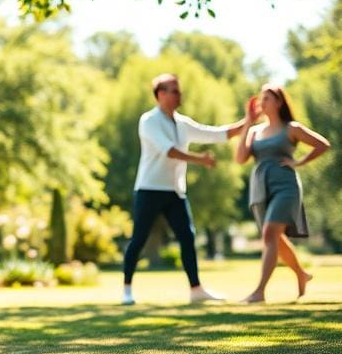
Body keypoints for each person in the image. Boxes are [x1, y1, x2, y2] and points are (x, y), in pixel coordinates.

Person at [122, 73, 248, 306]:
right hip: (149, 189)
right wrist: (201, 160)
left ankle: (196, 289)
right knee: (139, 238)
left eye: (179, 90)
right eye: (174, 90)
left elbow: (217, 134)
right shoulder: (148, 121)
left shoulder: (183, 123)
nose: (179, 95)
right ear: (161, 94)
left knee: (187, 237)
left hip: (175, 191)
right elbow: (168, 150)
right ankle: (127, 290)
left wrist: (248, 121)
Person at [236, 84, 330, 303]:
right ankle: (301, 274)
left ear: (279, 102)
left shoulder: (291, 128)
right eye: (262, 98)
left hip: (286, 187)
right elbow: (240, 158)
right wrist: (248, 121)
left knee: (269, 234)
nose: (263, 102)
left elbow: (322, 145)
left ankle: (259, 291)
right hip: (261, 188)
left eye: (267, 98)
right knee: (274, 237)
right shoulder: (254, 131)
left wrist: (299, 162)